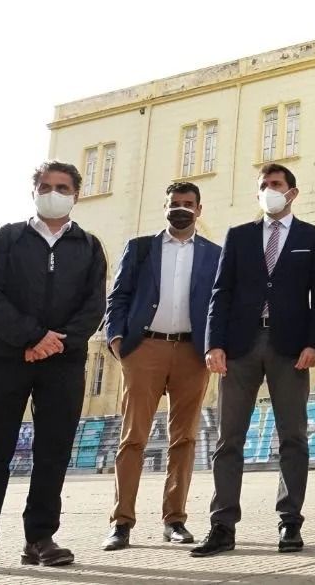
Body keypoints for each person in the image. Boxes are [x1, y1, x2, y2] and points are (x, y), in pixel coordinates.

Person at [0, 161, 107, 576]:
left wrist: (53, 343)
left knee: (52, 454)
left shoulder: (89, 246)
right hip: (5, 360)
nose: (53, 192)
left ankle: (39, 538)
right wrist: (29, 338)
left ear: (76, 194)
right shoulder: (6, 238)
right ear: (34, 191)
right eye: (45, 185)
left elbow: (94, 307)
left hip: (62, 363)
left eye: (62, 186)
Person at [192, 164, 315, 558]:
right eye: (263, 186)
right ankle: (222, 524)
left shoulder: (312, 237)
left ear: (292, 193)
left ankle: (290, 521)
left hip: (290, 348)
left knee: (293, 436)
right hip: (240, 345)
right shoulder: (239, 237)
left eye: (276, 185)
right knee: (228, 438)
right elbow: (221, 293)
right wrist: (213, 344)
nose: (269, 190)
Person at [103, 182, 222, 551]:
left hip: (192, 353)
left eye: (188, 204)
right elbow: (118, 296)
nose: (181, 209)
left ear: (199, 210)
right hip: (145, 349)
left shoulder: (215, 254)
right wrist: (117, 340)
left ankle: (175, 520)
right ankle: (121, 522)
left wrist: (217, 346)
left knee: (184, 439)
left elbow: (222, 303)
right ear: (165, 206)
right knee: (133, 437)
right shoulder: (140, 249)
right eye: (174, 203)